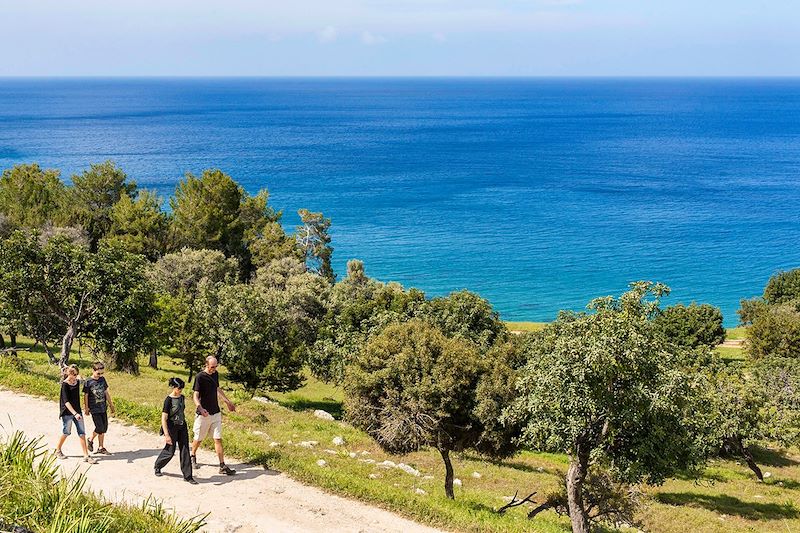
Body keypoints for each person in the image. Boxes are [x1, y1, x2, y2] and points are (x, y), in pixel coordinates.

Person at [190, 356, 236, 475]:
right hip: (203, 414)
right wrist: (200, 408)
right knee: (199, 438)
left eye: (215, 367)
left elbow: (217, 389)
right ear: (206, 365)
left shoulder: (215, 374)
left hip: (216, 412)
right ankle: (192, 455)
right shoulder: (200, 377)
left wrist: (227, 402)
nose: (214, 369)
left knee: (218, 439)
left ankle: (222, 466)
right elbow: (195, 395)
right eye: (212, 367)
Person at [154, 377, 198, 484]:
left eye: (181, 389)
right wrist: (167, 434)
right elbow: (164, 418)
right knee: (170, 451)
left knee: (185, 450)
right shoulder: (168, 400)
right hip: (171, 427)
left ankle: (188, 476)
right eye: (178, 388)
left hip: (182, 426)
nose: (180, 391)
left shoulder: (182, 398)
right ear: (173, 387)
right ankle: (158, 466)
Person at [55, 365, 97, 464]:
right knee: (66, 432)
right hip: (67, 412)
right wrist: (74, 414)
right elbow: (66, 402)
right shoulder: (64, 385)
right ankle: (57, 450)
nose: (75, 377)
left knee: (82, 433)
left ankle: (86, 455)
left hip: (77, 411)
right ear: (68, 373)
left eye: (76, 374)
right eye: (73, 374)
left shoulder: (77, 382)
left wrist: (80, 411)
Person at [83, 361, 115, 454]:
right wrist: (86, 408)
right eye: (98, 373)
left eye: (101, 373)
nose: (99, 375)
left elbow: (106, 392)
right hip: (94, 408)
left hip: (103, 407)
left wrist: (111, 404)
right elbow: (86, 395)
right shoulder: (88, 381)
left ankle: (101, 447)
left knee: (104, 428)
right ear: (93, 370)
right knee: (99, 427)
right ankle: (90, 439)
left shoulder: (102, 379)